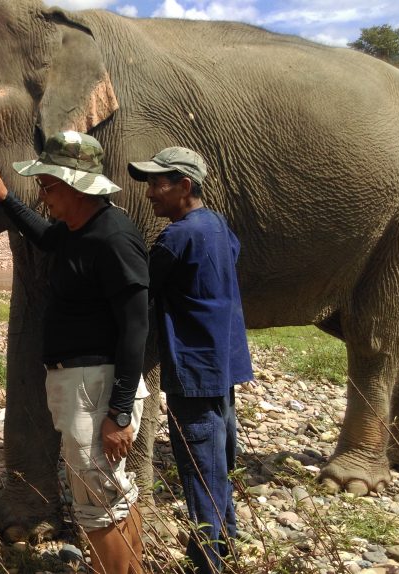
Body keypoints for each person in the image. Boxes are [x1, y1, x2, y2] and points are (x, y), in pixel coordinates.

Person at [0, 131, 149, 574]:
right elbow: (46, 237)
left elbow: (135, 328)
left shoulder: (114, 238)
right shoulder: (77, 230)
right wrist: (7, 199)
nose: (43, 196)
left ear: (75, 186)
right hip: (83, 384)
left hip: (97, 388)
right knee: (114, 493)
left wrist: (119, 412)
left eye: (47, 187)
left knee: (96, 503)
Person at [128, 147, 254, 573]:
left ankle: (209, 559)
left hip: (193, 368)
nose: (149, 194)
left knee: (200, 467)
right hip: (222, 362)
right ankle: (227, 541)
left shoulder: (177, 236)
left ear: (184, 186)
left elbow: (141, 285)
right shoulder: (217, 225)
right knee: (220, 458)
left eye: (156, 184)